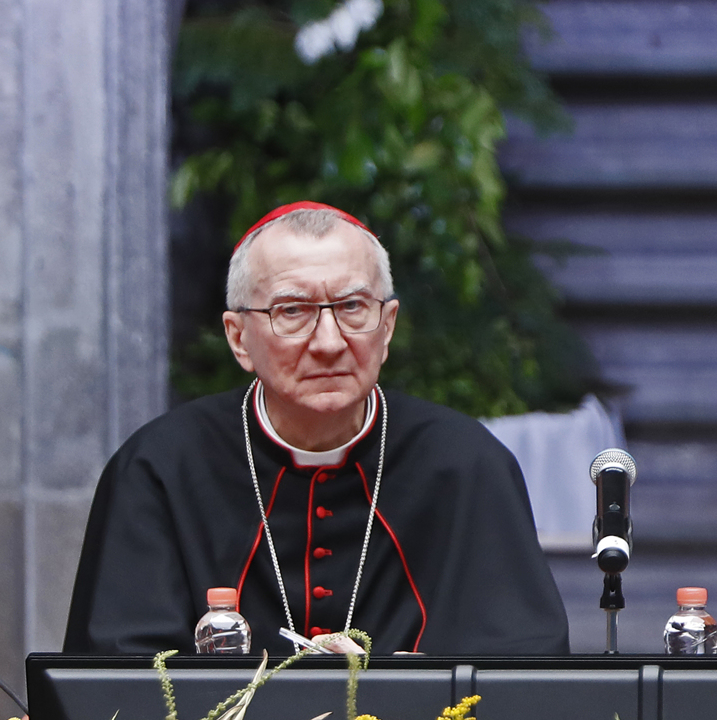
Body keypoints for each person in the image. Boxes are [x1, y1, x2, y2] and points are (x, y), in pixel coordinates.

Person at [65, 202, 570, 656]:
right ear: (239, 338)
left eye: (352, 307)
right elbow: (116, 681)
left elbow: (523, 672)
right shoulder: (158, 469)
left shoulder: (468, 465)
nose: (329, 341)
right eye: (293, 311)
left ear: (387, 326)